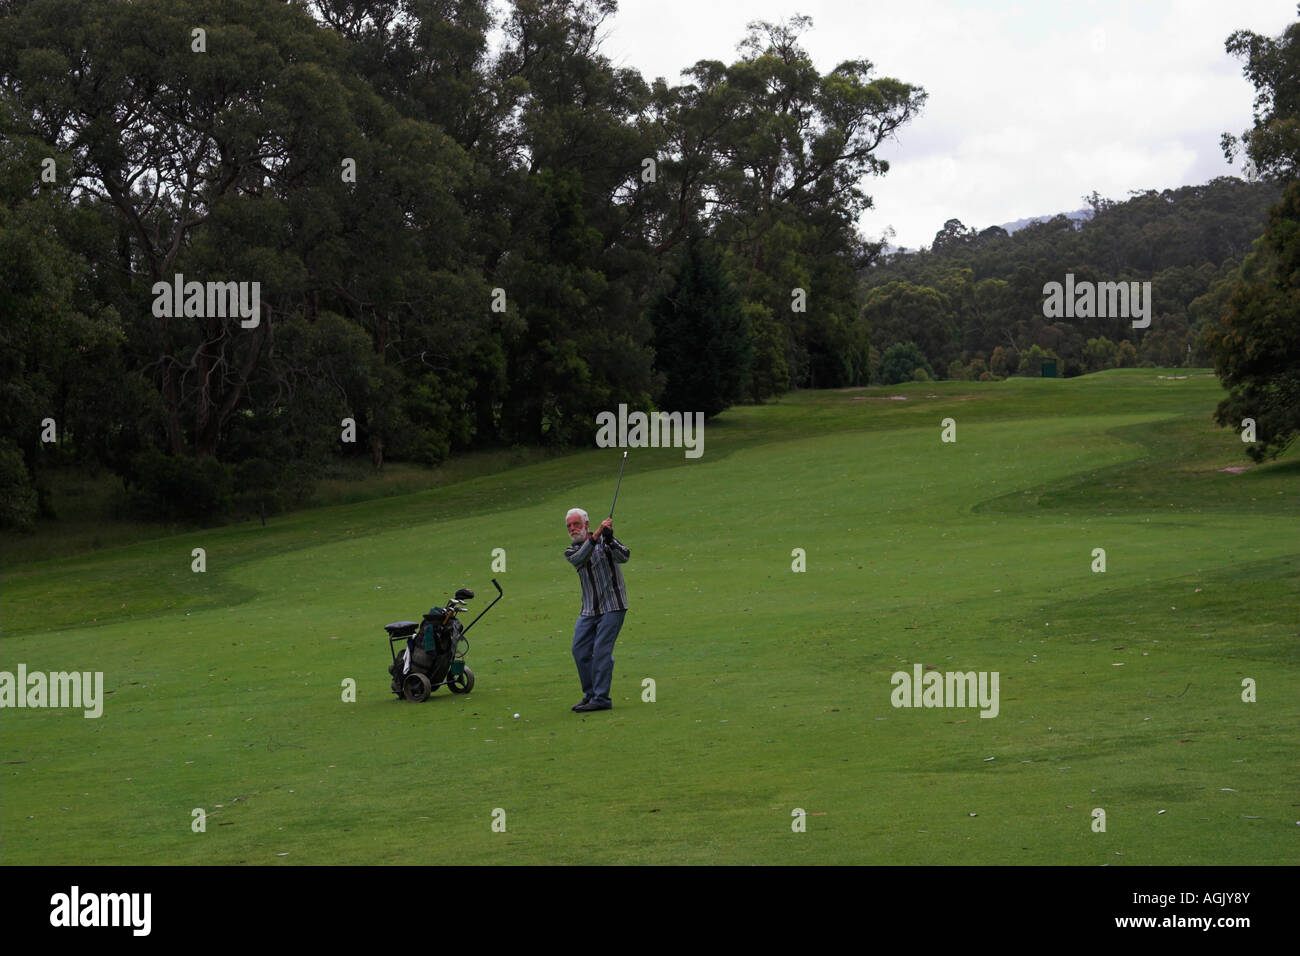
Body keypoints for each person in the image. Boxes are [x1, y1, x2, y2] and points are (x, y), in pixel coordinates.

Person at [563, 507, 630, 712]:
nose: (573, 529)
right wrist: (599, 535)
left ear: (586, 524)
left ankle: (601, 699)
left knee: (601, 650)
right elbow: (580, 558)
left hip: (613, 605)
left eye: (576, 524)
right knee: (579, 649)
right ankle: (590, 694)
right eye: (569, 526)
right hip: (589, 609)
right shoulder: (572, 550)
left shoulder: (605, 542)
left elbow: (624, 556)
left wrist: (610, 537)